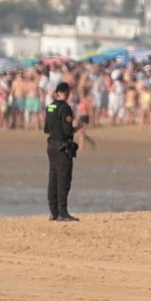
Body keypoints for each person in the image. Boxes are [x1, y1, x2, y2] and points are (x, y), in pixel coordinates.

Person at [44, 81, 85, 221]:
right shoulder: (65, 108)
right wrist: (77, 127)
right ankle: (63, 211)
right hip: (62, 146)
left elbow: (46, 129)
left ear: (57, 93)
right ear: (66, 93)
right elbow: (67, 130)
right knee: (63, 179)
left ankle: (53, 211)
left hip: (51, 146)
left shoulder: (49, 107)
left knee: (53, 178)